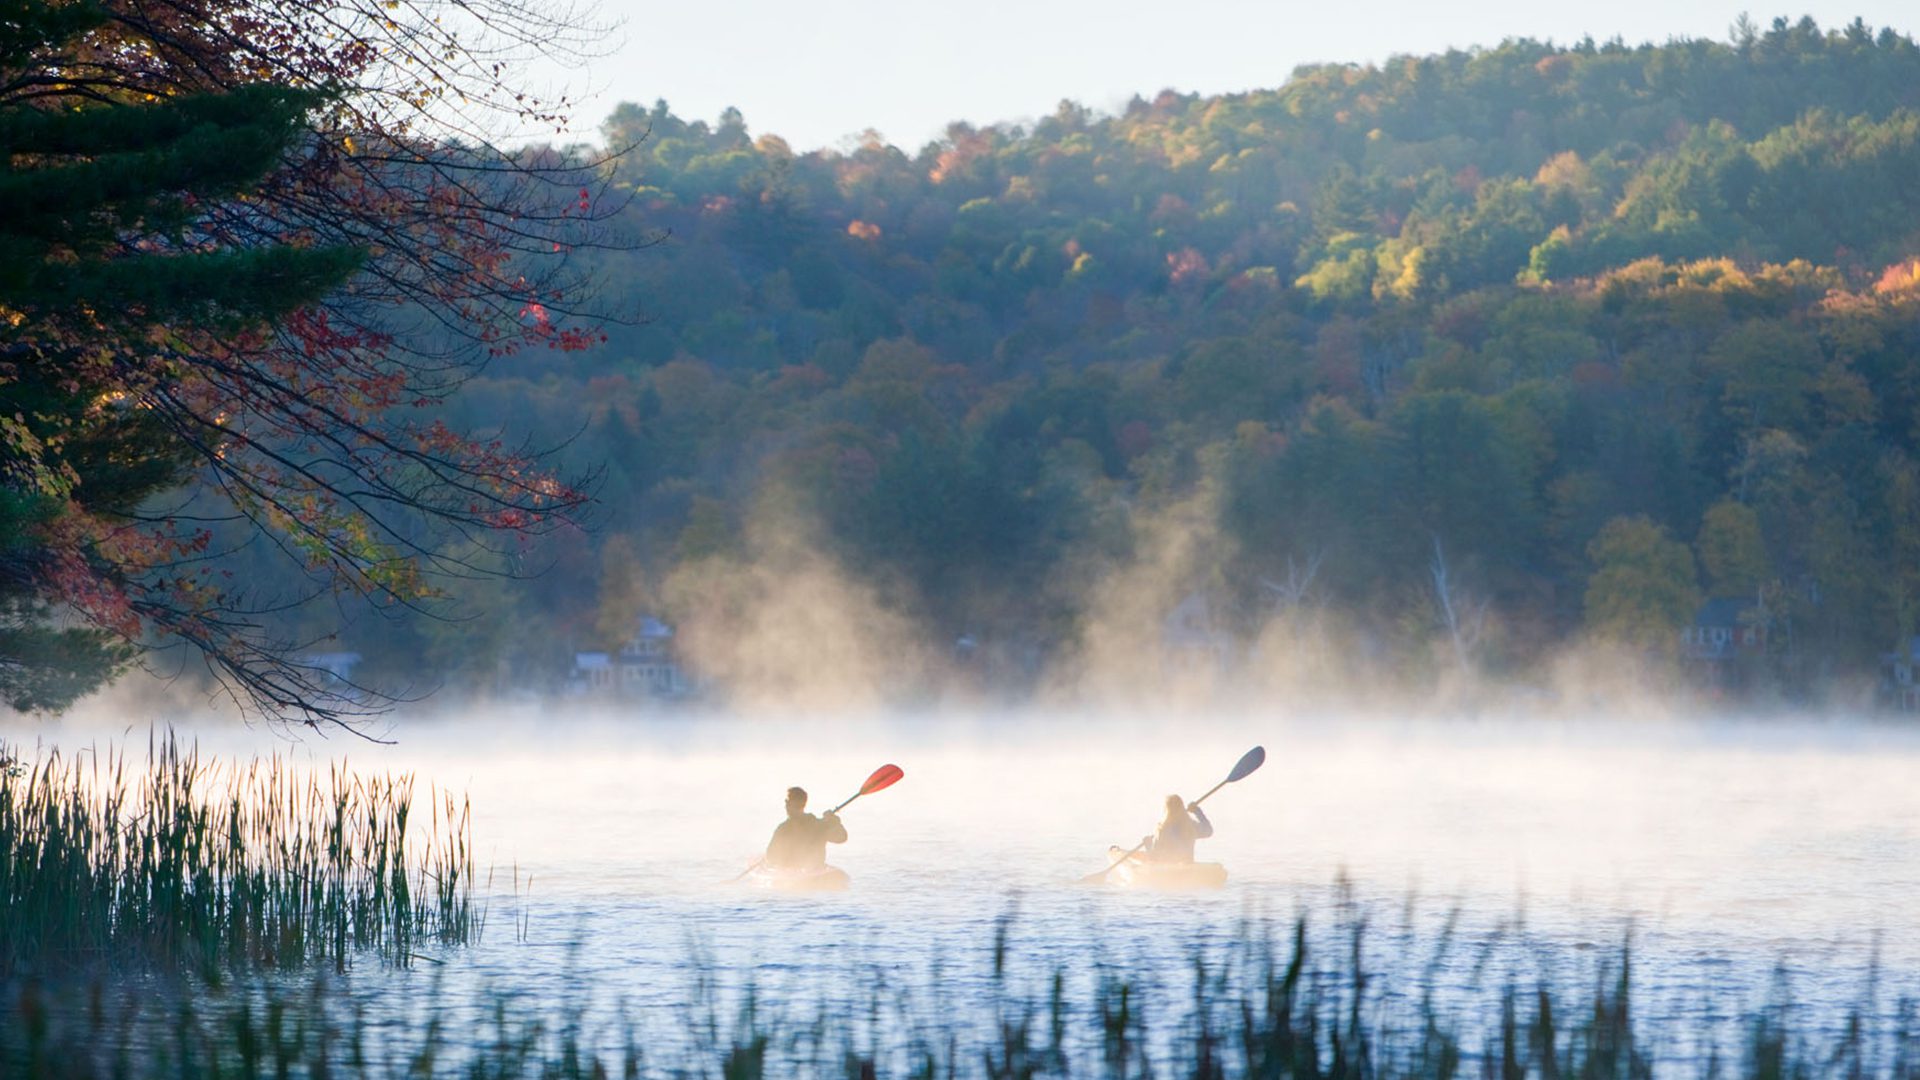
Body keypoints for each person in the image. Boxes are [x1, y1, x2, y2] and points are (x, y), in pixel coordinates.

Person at [764, 786, 847, 870]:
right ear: (803, 804)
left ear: (789, 803)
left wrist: (833, 821)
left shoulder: (783, 829)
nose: (785, 805)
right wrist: (833, 821)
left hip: (796, 874)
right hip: (812, 871)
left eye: (787, 802)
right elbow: (841, 838)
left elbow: (770, 857)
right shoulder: (819, 825)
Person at [1140, 794, 1212, 864]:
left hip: (1168, 870)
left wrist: (1148, 845)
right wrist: (1197, 811)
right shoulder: (1190, 826)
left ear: (1166, 810)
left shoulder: (1162, 829)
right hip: (1187, 866)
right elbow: (1208, 831)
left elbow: (1154, 857)